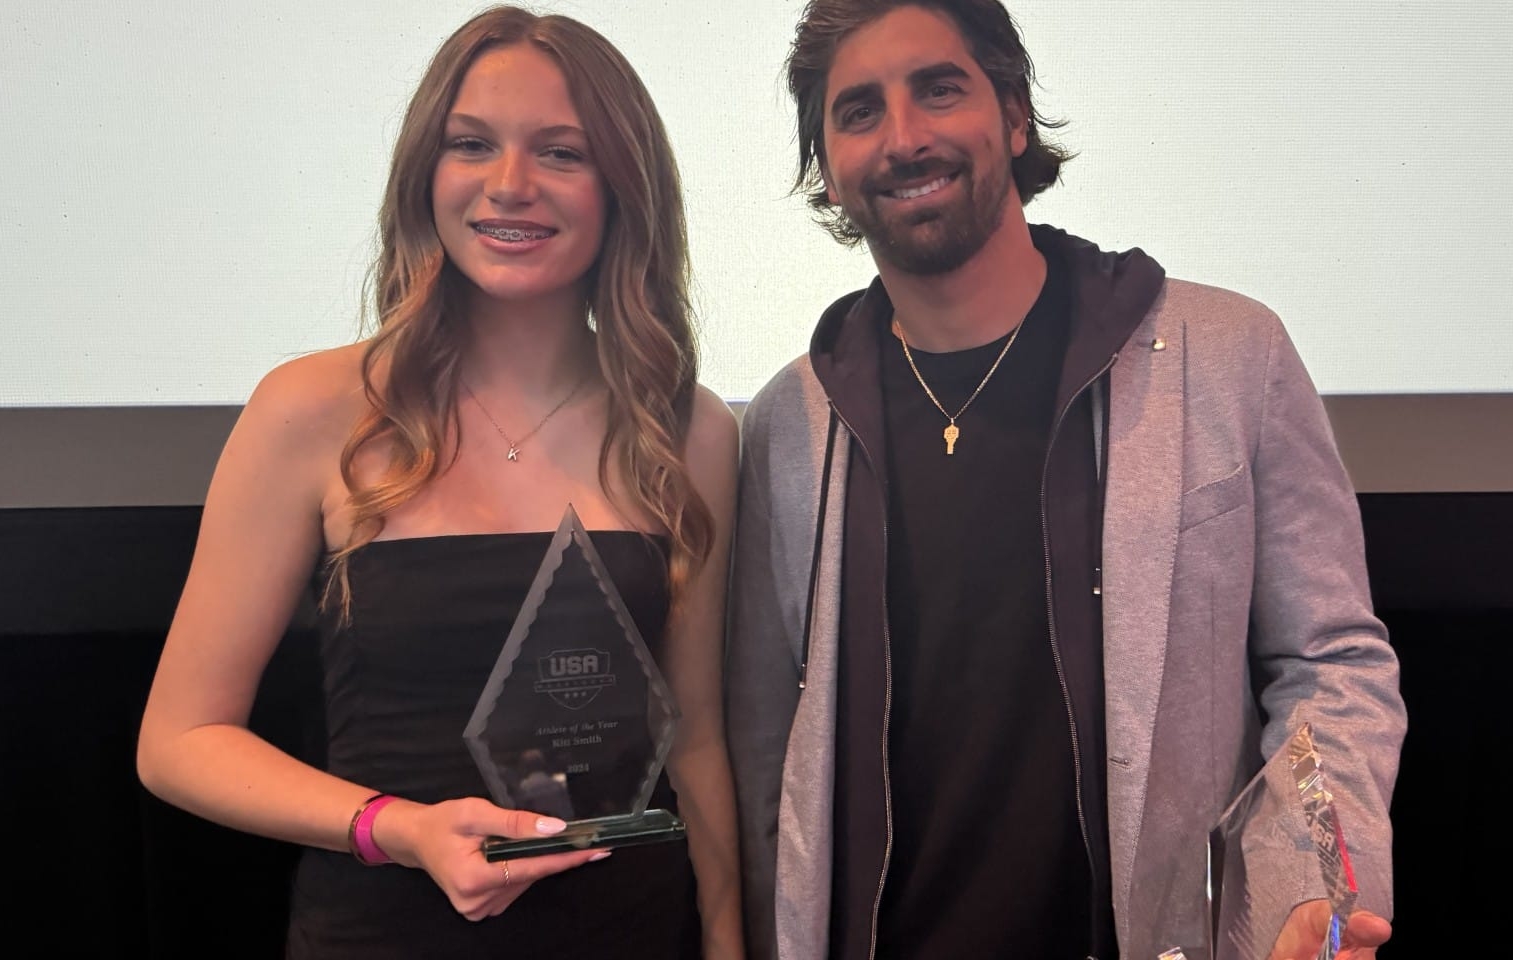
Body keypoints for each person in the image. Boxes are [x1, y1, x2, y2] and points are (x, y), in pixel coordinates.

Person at [724, 2, 1406, 959]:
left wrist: (1311, 890)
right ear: (828, 170)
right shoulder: (789, 424)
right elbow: (766, 757)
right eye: (859, 111)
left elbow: (1332, 668)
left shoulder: (1226, 356)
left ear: (1013, 115)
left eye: (940, 89)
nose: (905, 137)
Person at [136, 7, 742, 958]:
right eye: (472, 144)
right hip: (382, 934)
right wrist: (401, 829)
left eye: (561, 152)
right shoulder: (311, 409)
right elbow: (179, 740)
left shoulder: (689, 426)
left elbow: (697, 743)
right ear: (426, 172)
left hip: (632, 931)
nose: (511, 185)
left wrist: (727, 943)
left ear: (624, 186)